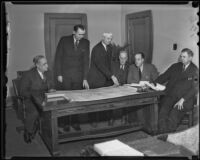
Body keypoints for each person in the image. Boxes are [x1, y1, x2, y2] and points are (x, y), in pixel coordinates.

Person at [154, 48, 199, 134]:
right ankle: (162, 133)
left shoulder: (195, 70)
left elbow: (195, 88)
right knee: (163, 110)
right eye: (181, 56)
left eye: (184, 57)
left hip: (185, 100)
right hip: (171, 96)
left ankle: (169, 134)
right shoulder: (175, 66)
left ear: (190, 58)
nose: (182, 58)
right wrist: (153, 83)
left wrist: (182, 100)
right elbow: (164, 76)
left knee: (174, 114)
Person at [54, 24, 90, 132]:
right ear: (74, 32)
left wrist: (84, 78)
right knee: (66, 100)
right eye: (79, 34)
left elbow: (86, 61)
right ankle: (65, 123)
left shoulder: (86, 42)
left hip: (78, 77)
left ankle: (75, 122)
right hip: (65, 76)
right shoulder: (64, 40)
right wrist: (59, 74)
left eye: (83, 34)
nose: (81, 36)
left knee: (75, 100)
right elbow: (58, 58)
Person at [20, 55, 55, 143]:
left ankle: (51, 131)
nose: (47, 66)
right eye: (44, 64)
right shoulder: (28, 75)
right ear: (37, 65)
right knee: (34, 113)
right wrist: (36, 99)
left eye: (46, 63)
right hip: (31, 99)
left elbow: (51, 85)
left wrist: (51, 89)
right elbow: (23, 91)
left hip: (46, 97)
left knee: (55, 110)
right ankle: (28, 131)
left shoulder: (48, 72)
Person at [87, 32, 120, 127]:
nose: (109, 40)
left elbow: (109, 64)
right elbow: (100, 65)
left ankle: (109, 118)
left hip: (106, 77)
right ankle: (93, 121)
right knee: (95, 101)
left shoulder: (110, 48)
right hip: (95, 78)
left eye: (111, 38)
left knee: (108, 99)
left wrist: (112, 75)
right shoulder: (96, 49)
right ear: (103, 38)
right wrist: (112, 76)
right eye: (108, 38)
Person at [127, 52, 159, 125]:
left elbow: (157, 80)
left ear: (143, 60)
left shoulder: (150, 67)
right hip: (135, 92)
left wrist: (148, 84)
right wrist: (140, 84)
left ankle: (148, 124)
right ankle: (141, 123)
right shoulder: (132, 67)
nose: (136, 61)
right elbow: (129, 81)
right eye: (135, 59)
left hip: (149, 92)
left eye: (138, 59)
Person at [108, 50, 129, 126]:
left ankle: (124, 117)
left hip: (125, 88)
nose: (123, 60)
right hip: (114, 88)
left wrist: (124, 86)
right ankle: (112, 118)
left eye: (124, 58)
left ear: (127, 58)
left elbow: (128, 80)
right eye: (121, 58)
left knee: (126, 97)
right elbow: (110, 78)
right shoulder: (113, 65)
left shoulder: (129, 66)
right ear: (118, 58)